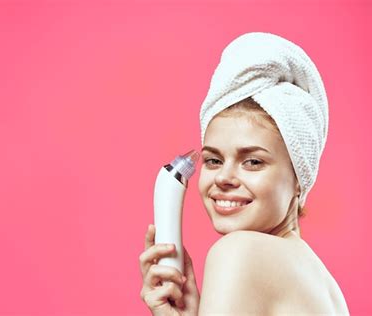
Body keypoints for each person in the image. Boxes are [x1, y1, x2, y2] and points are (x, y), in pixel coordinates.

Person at [139, 32, 350, 315]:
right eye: (213, 160)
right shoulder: (322, 283)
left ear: (299, 177)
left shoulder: (239, 252)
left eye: (252, 162)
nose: (223, 177)